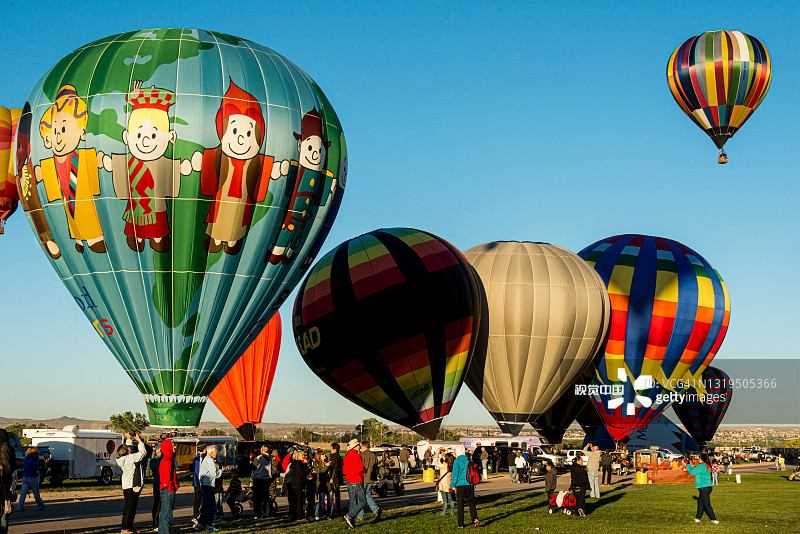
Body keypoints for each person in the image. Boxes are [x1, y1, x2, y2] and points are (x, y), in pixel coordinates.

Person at [116, 432, 148, 534]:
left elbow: (129, 450)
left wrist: (129, 438)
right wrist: (139, 441)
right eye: (128, 448)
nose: (130, 448)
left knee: (131, 507)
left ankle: (129, 527)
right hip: (132, 485)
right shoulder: (131, 458)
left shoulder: (124, 458)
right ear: (127, 451)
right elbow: (143, 453)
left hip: (127, 485)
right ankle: (125, 528)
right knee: (129, 508)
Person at [685, 454, 719, 524]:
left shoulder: (701, 466)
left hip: (704, 488)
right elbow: (695, 471)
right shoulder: (706, 465)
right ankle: (697, 518)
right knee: (700, 504)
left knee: (707, 504)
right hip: (707, 487)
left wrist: (688, 465)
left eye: (699, 458)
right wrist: (691, 466)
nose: (698, 459)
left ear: (702, 459)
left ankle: (714, 519)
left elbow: (692, 473)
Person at [450, 452, 480, 528]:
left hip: (460, 484)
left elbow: (455, 475)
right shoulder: (469, 459)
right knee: (471, 502)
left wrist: (452, 486)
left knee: (460, 504)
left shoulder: (457, 461)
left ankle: (461, 524)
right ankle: (475, 518)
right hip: (470, 483)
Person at [342, 439, 367, 529]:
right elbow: (360, 468)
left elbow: (344, 471)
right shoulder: (356, 455)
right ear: (356, 446)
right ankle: (349, 516)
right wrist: (364, 470)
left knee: (353, 503)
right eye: (359, 445)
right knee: (363, 501)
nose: (360, 446)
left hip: (348, 480)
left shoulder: (347, 455)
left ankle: (351, 524)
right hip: (356, 479)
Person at [197, 445, 222, 531]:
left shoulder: (207, 459)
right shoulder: (209, 460)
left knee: (206, 505)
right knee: (211, 505)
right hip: (208, 485)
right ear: (212, 452)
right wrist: (221, 471)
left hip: (205, 484)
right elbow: (214, 474)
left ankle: (201, 524)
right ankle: (208, 524)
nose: (217, 453)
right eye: (216, 452)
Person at [357, 441, 382, 522]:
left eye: (361, 447)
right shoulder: (373, 455)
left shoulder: (361, 455)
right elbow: (376, 468)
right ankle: (375, 509)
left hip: (363, 478)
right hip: (371, 478)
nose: (360, 448)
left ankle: (360, 515)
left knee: (360, 498)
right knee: (368, 495)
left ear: (364, 447)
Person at [158, 439, 178, 534]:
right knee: (167, 515)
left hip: (166, 488)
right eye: (173, 445)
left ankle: (162, 531)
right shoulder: (167, 460)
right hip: (167, 489)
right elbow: (167, 478)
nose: (175, 447)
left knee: (164, 513)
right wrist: (171, 488)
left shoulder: (169, 459)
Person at [251, 444, 273, 518]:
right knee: (266, 496)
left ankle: (258, 513)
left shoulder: (259, 457)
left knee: (257, 498)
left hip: (258, 478)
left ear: (262, 450)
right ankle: (267, 511)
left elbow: (254, 466)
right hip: (267, 478)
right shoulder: (270, 458)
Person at [289, 450, 309, 520]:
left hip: (300, 483)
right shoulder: (296, 463)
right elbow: (301, 472)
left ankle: (298, 514)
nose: (303, 456)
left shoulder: (299, 463)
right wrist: (305, 464)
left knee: (299, 500)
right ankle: (299, 515)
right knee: (298, 500)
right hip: (297, 484)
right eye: (302, 455)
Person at [314, 450, 332, 520]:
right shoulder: (317, 464)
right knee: (321, 501)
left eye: (324, 454)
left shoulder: (327, 462)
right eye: (322, 454)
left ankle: (328, 515)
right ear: (319, 456)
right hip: (321, 485)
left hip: (328, 484)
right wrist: (326, 466)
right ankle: (317, 515)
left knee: (329, 501)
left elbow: (331, 471)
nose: (324, 455)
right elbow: (320, 472)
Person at [191, 444, 207, 525]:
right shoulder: (199, 458)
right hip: (198, 483)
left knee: (199, 500)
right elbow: (198, 472)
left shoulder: (199, 457)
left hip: (198, 483)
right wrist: (199, 484)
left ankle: (198, 516)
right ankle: (196, 516)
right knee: (199, 500)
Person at [150, 445, 162, 529]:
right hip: (157, 483)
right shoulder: (153, 460)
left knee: (164, 504)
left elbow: (175, 465)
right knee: (157, 504)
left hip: (163, 484)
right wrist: (161, 458)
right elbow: (156, 467)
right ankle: (155, 522)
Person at [329, 443, 344, 513]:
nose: (330, 450)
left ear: (334, 449)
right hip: (338, 477)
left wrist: (332, 478)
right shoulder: (340, 457)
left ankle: (330, 508)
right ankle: (338, 507)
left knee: (331, 493)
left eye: (331, 448)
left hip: (334, 478)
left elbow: (334, 468)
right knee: (337, 493)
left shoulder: (334, 457)